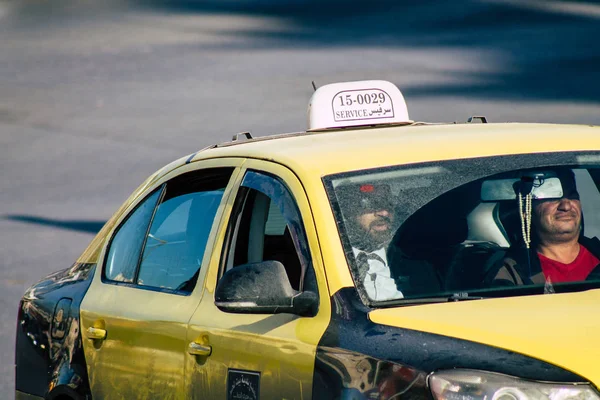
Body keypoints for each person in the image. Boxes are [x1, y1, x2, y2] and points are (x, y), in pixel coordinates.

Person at [489, 168, 600, 287]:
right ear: (526, 209)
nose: (566, 206)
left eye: (572, 196)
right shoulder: (510, 275)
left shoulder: (597, 253)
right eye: (553, 197)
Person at [337, 182, 440, 300]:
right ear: (347, 213)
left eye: (389, 204)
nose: (384, 213)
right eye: (369, 205)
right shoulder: (330, 260)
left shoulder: (415, 262)